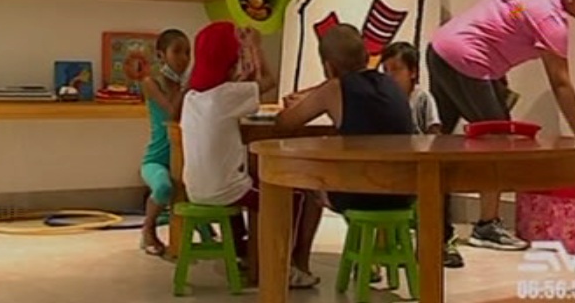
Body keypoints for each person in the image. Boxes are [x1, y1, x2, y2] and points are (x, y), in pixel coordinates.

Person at [427, 0, 575, 250]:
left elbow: (495, 26)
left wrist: (498, 78)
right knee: (498, 144)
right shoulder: (550, 19)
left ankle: (433, 226)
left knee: (440, 144)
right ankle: (486, 226)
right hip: (467, 60)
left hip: (440, 49)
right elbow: (561, 84)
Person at [180, 21, 321, 288]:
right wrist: (256, 47)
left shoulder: (193, 97)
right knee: (296, 196)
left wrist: (244, 67)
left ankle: (247, 253)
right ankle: (282, 265)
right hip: (225, 189)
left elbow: (235, 88)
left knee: (251, 185)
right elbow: (269, 81)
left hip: (196, 188)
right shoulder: (226, 96)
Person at [276, 24, 416, 231]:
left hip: (362, 195)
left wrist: (301, 102)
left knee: (305, 179)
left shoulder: (335, 89)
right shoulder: (391, 84)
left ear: (329, 67)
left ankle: (296, 251)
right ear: (366, 57)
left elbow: (285, 123)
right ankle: (372, 244)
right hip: (404, 192)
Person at [380, 41, 464, 268]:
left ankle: (442, 241)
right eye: (385, 70)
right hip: (395, 165)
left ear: (413, 72)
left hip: (421, 163)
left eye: (396, 69)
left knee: (438, 190)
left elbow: (434, 131)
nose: (390, 76)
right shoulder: (384, 101)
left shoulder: (422, 98)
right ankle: (391, 244)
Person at [140, 29, 191, 256]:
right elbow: (172, 113)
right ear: (161, 55)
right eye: (177, 51)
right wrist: (186, 88)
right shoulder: (151, 83)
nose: (184, 58)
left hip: (184, 159)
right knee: (163, 187)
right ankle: (148, 229)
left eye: (188, 52)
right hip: (156, 160)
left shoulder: (188, 86)